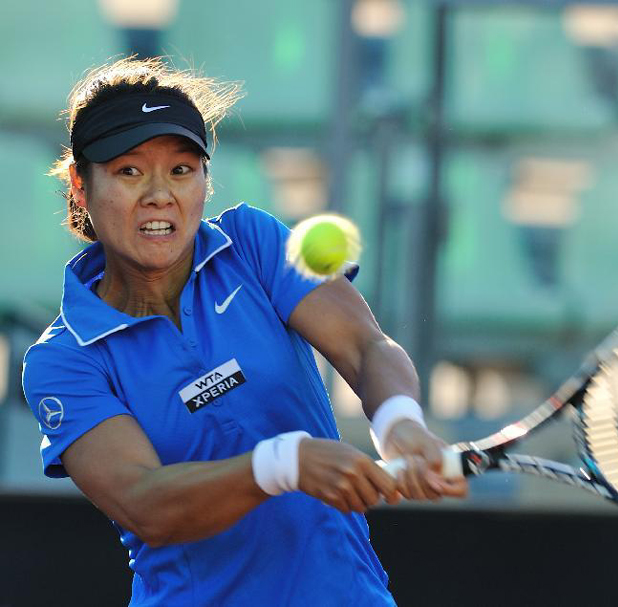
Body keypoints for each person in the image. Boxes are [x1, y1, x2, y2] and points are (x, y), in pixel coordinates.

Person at [22, 57, 467, 606]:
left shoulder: (252, 244)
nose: (160, 194)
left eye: (182, 170)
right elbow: (146, 504)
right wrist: (284, 464)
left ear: (206, 180)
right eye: (129, 171)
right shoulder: (62, 362)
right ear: (81, 184)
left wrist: (399, 423)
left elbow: (364, 345)